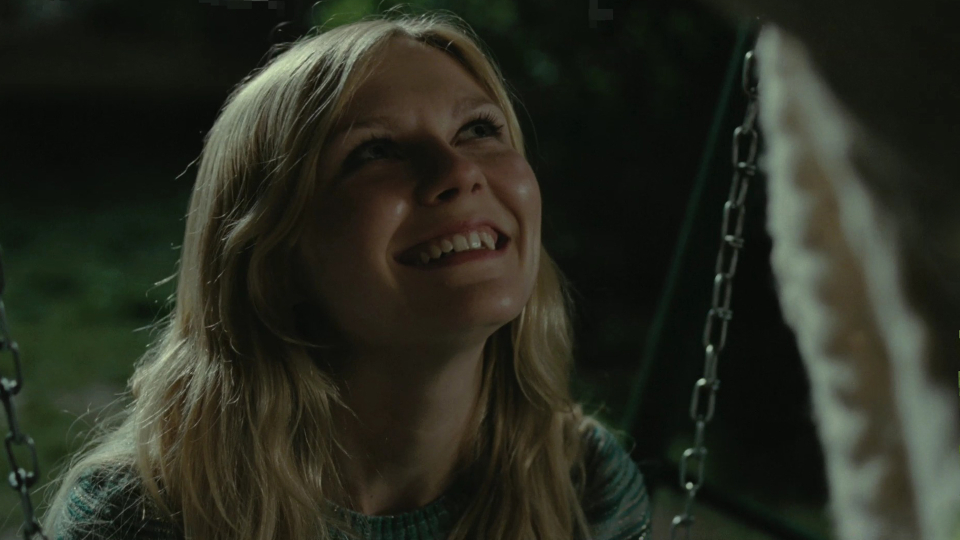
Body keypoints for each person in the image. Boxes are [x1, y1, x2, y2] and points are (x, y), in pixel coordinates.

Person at [43, 10, 652, 540]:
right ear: (273, 262)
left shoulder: (583, 487)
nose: (459, 171)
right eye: (374, 151)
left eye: (478, 130)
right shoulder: (139, 519)